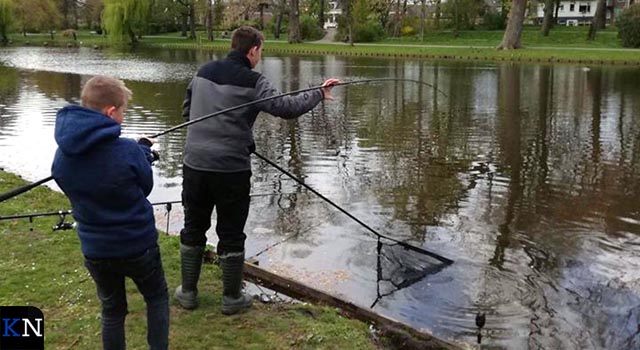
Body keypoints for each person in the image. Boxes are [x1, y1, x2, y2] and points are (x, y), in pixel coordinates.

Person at [176, 26, 340, 315]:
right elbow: (286, 108)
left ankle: (188, 293)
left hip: (194, 164)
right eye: (260, 51)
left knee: (193, 224)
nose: (260, 57)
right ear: (252, 51)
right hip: (230, 170)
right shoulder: (254, 81)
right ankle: (231, 298)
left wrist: (223, 137)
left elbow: (187, 112)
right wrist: (318, 93)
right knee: (230, 231)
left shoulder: (202, 72)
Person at [51, 76, 169, 350]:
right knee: (156, 297)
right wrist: (142, 152)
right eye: (123, 111)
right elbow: (145, 186)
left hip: (95, 249)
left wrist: (139, 150)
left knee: (113, 310)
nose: (123, 116)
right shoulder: (127, 150)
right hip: (138, 246)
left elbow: (68, 180)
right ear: (110, 112)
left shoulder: (62, 155)